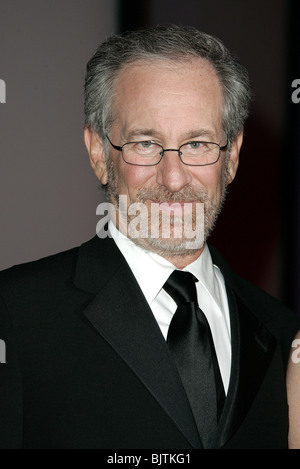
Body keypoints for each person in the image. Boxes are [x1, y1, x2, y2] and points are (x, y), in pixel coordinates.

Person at [0, 24, 299, 450]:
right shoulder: (15, 315)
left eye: (197, 143)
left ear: (231, 157)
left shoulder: (284, 334)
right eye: (145, 143)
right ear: (99, 154)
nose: (174, 178)